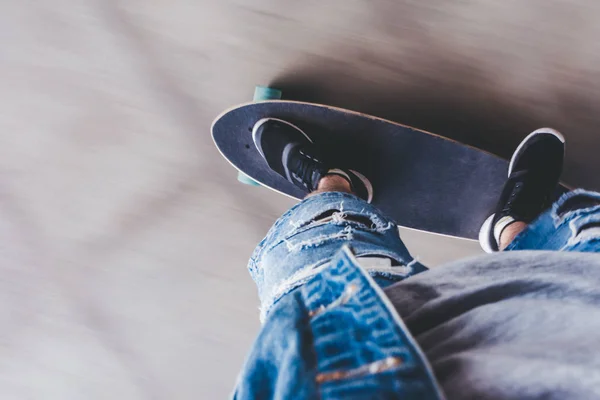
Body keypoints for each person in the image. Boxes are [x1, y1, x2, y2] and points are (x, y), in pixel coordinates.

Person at [233, 119, 600, 399]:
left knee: (323, 239)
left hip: (344, 362)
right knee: (561, 269)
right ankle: (514, 228)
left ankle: (333, 183)